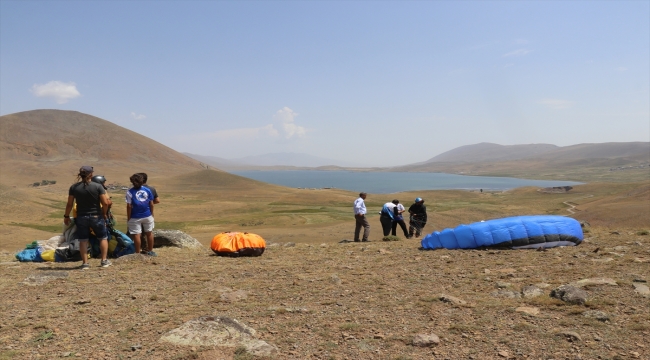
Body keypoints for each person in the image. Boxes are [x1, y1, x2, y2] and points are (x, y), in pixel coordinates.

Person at [63, 166, 112, 269]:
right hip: (96, 216)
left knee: (83, 240)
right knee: (102, 237)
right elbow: (105, 203)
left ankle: (85, 263)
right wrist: (104, 213)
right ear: (91, 174)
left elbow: (69, 204)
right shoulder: (98, 187)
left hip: (81, 217)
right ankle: (104, 261)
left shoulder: (74, 187)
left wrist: (66, 216)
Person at [126, 173, 156, 256]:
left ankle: (137, 253)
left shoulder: (129, 192)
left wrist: (129, 217)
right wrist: (151, 213)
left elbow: (129, 206)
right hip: (147, 215)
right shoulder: (148, 190)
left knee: (137, 235)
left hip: (135, 216)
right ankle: (150, 251)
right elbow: (151, 204)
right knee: (149, 233)